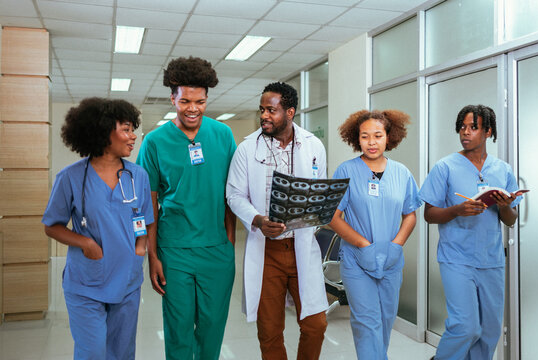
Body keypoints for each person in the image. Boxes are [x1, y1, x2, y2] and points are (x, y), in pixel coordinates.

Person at [136, 56, 237, 360]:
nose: (193, 108)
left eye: (200, 101)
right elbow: (148, 204)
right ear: (173, 98)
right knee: (179, 330)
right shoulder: (154, 142)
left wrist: (229, 242)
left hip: (217, 250)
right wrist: (153, 256)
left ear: (208, 99)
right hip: (174, 249)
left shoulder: (223, 135)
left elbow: (232, 194)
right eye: (185, 101)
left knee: (212, 329)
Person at [42, 97, 153, 359]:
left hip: (127, 280)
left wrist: (140, 248)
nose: (133, 136)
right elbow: (52, 225)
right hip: (86, 282)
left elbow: (144, 217)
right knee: (92, 351)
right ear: (103, 132)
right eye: (126, 129)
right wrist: (86, 243)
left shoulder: (138, 176)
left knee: (122, 352)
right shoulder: (71, 177)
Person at [226, 82, 328, 360]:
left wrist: (319, 209)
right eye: (262, 109)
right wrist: (257, 220)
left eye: (271, 110)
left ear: (290, 112)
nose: (264, 116)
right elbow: (234, 195)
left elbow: (318, 189)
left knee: (315, 324)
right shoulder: (247, 149)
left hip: (302, 248)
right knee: (269, 330)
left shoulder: (313, 145)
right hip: (267, 250)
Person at [419, 105, 523, 360]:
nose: (465, 132)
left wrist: (504, 206)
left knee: (489, 331)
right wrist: (457, 210)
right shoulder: (445, 167)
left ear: (488, 132)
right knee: (465, 326)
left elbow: (510, 220)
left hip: (491, 260)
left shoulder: (502, 170)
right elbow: (429, 214)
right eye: (462, 127)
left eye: (473, 127)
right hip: (456, 258)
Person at [329, 110, 421, 359]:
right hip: (357, 261)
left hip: (390, 261)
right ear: (356, 139)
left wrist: (396, 246)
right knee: (366, 323)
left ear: (388, 137)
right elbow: (333, 217)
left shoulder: (402, 173)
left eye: (377, 135)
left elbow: (410, 214)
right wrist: (363, 244)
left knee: (385, 320)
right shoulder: (345, 171)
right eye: (365, 136)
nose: (371, 142)